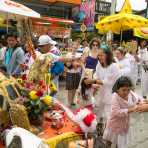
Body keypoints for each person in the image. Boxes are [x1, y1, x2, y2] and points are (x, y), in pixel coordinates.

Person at [103, 76, 142, 148]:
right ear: (117, 89)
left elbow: (138, 98)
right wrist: (130, 110)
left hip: (124, 123)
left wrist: (141, 102)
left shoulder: (131, 94)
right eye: (123, 90)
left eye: (128, 90)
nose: (126, 92)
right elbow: (116, 112)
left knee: (120, 142)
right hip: (115, 123)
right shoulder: (115, 97)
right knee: (110, 140)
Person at [94, 46, 120, 122]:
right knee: (98, 111)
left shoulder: (114, 66)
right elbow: (96, 74)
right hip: (101, 92)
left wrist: (94, 81)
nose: (99, 57)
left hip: (110, 93)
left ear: (108, 55)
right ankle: (98, 127)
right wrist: (95, 80)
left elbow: (108, 81)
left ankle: (107, 131)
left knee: (108, 115)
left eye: (102, 55)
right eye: (98, 55)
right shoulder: (99, 64)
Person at [65, 41, 82, 107]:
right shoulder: (68, 54)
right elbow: (67, 64)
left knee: (75, 88)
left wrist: (76, 64)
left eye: (75, 47)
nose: (74, 48)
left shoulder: (79, 55)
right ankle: (69, 102)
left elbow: (81, 64)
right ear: (71, 47)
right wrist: (73, 61)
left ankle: (72, 101)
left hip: (77, 73)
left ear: (77, 47)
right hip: (70, 73)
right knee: (70, 88)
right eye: (73, 47)